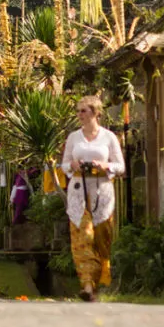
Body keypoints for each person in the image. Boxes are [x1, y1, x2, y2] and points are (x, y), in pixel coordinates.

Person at [61, 95, 125, 302]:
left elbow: (121, 166)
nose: (79, 115)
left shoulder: (108, 137)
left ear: (96, 112)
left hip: (102, 190)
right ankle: (87, 283)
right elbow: (64, 164)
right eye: (78, 111)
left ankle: (97, 283)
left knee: (101, 237)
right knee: (82, 237)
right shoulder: (73, 137)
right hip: (79, 189)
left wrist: (106, 166)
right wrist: (73, 165)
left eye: (83, 111)